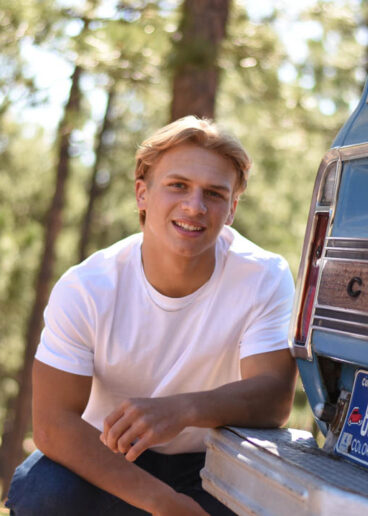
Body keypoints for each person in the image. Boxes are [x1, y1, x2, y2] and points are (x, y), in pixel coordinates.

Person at [6, 116, 297, 515]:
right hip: (109, 456)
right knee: (41, 490)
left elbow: (273, 397)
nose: (194, 207)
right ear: (142, 193)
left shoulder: (263, 275)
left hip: (211, 462)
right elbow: (53, 425)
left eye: (214, 194)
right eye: (178, 185)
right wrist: (166, 504)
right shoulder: (87, 287)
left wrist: (183, 409)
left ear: (231, 209)